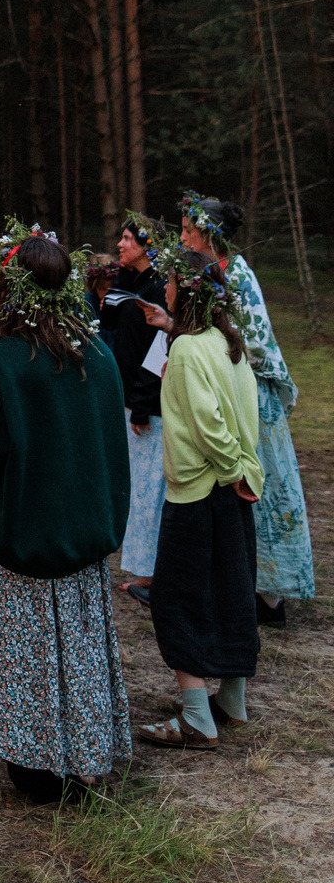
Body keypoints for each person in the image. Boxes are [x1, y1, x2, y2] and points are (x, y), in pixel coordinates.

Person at [0, 222, 131, 805]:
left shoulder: (6, 363)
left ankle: (38, 763)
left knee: (33, 651)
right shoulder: (100, 354)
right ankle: (86, 750)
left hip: (30, 540)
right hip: (85, 536)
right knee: (79, 645)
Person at [136, 249, 263, 750]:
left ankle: (196, 718)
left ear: (185, 292)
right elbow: (244, 407)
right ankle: (232, 700)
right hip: (232, 494)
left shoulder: (189, 349)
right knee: (233, 591)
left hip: (201, 492)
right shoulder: (227, 343)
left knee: (176, 598)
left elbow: (210, 422)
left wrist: (231, 469)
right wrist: (243, 472)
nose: (163, 289)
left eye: (168, 283)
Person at [181, 191, 314, 625]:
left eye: (188, 231)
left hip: (250, 396)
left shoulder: (238, 274)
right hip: (226, 390)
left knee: (264, 485)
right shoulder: (208, 272)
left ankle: (271, 595)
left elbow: (255, 341)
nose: (182, 238)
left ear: (209, 235)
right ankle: (239, 584)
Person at [88, 215, 168, 607]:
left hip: (146, 403)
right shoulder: (124, 282)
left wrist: (141, 403)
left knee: (149, 488)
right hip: (120, 394)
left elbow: (157, 354)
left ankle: (149, 573)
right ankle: (139, 567)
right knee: (133, 484)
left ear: (147, 245)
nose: (120, 244)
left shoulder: (158, 288)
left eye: (127, 238)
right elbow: (109, 327)